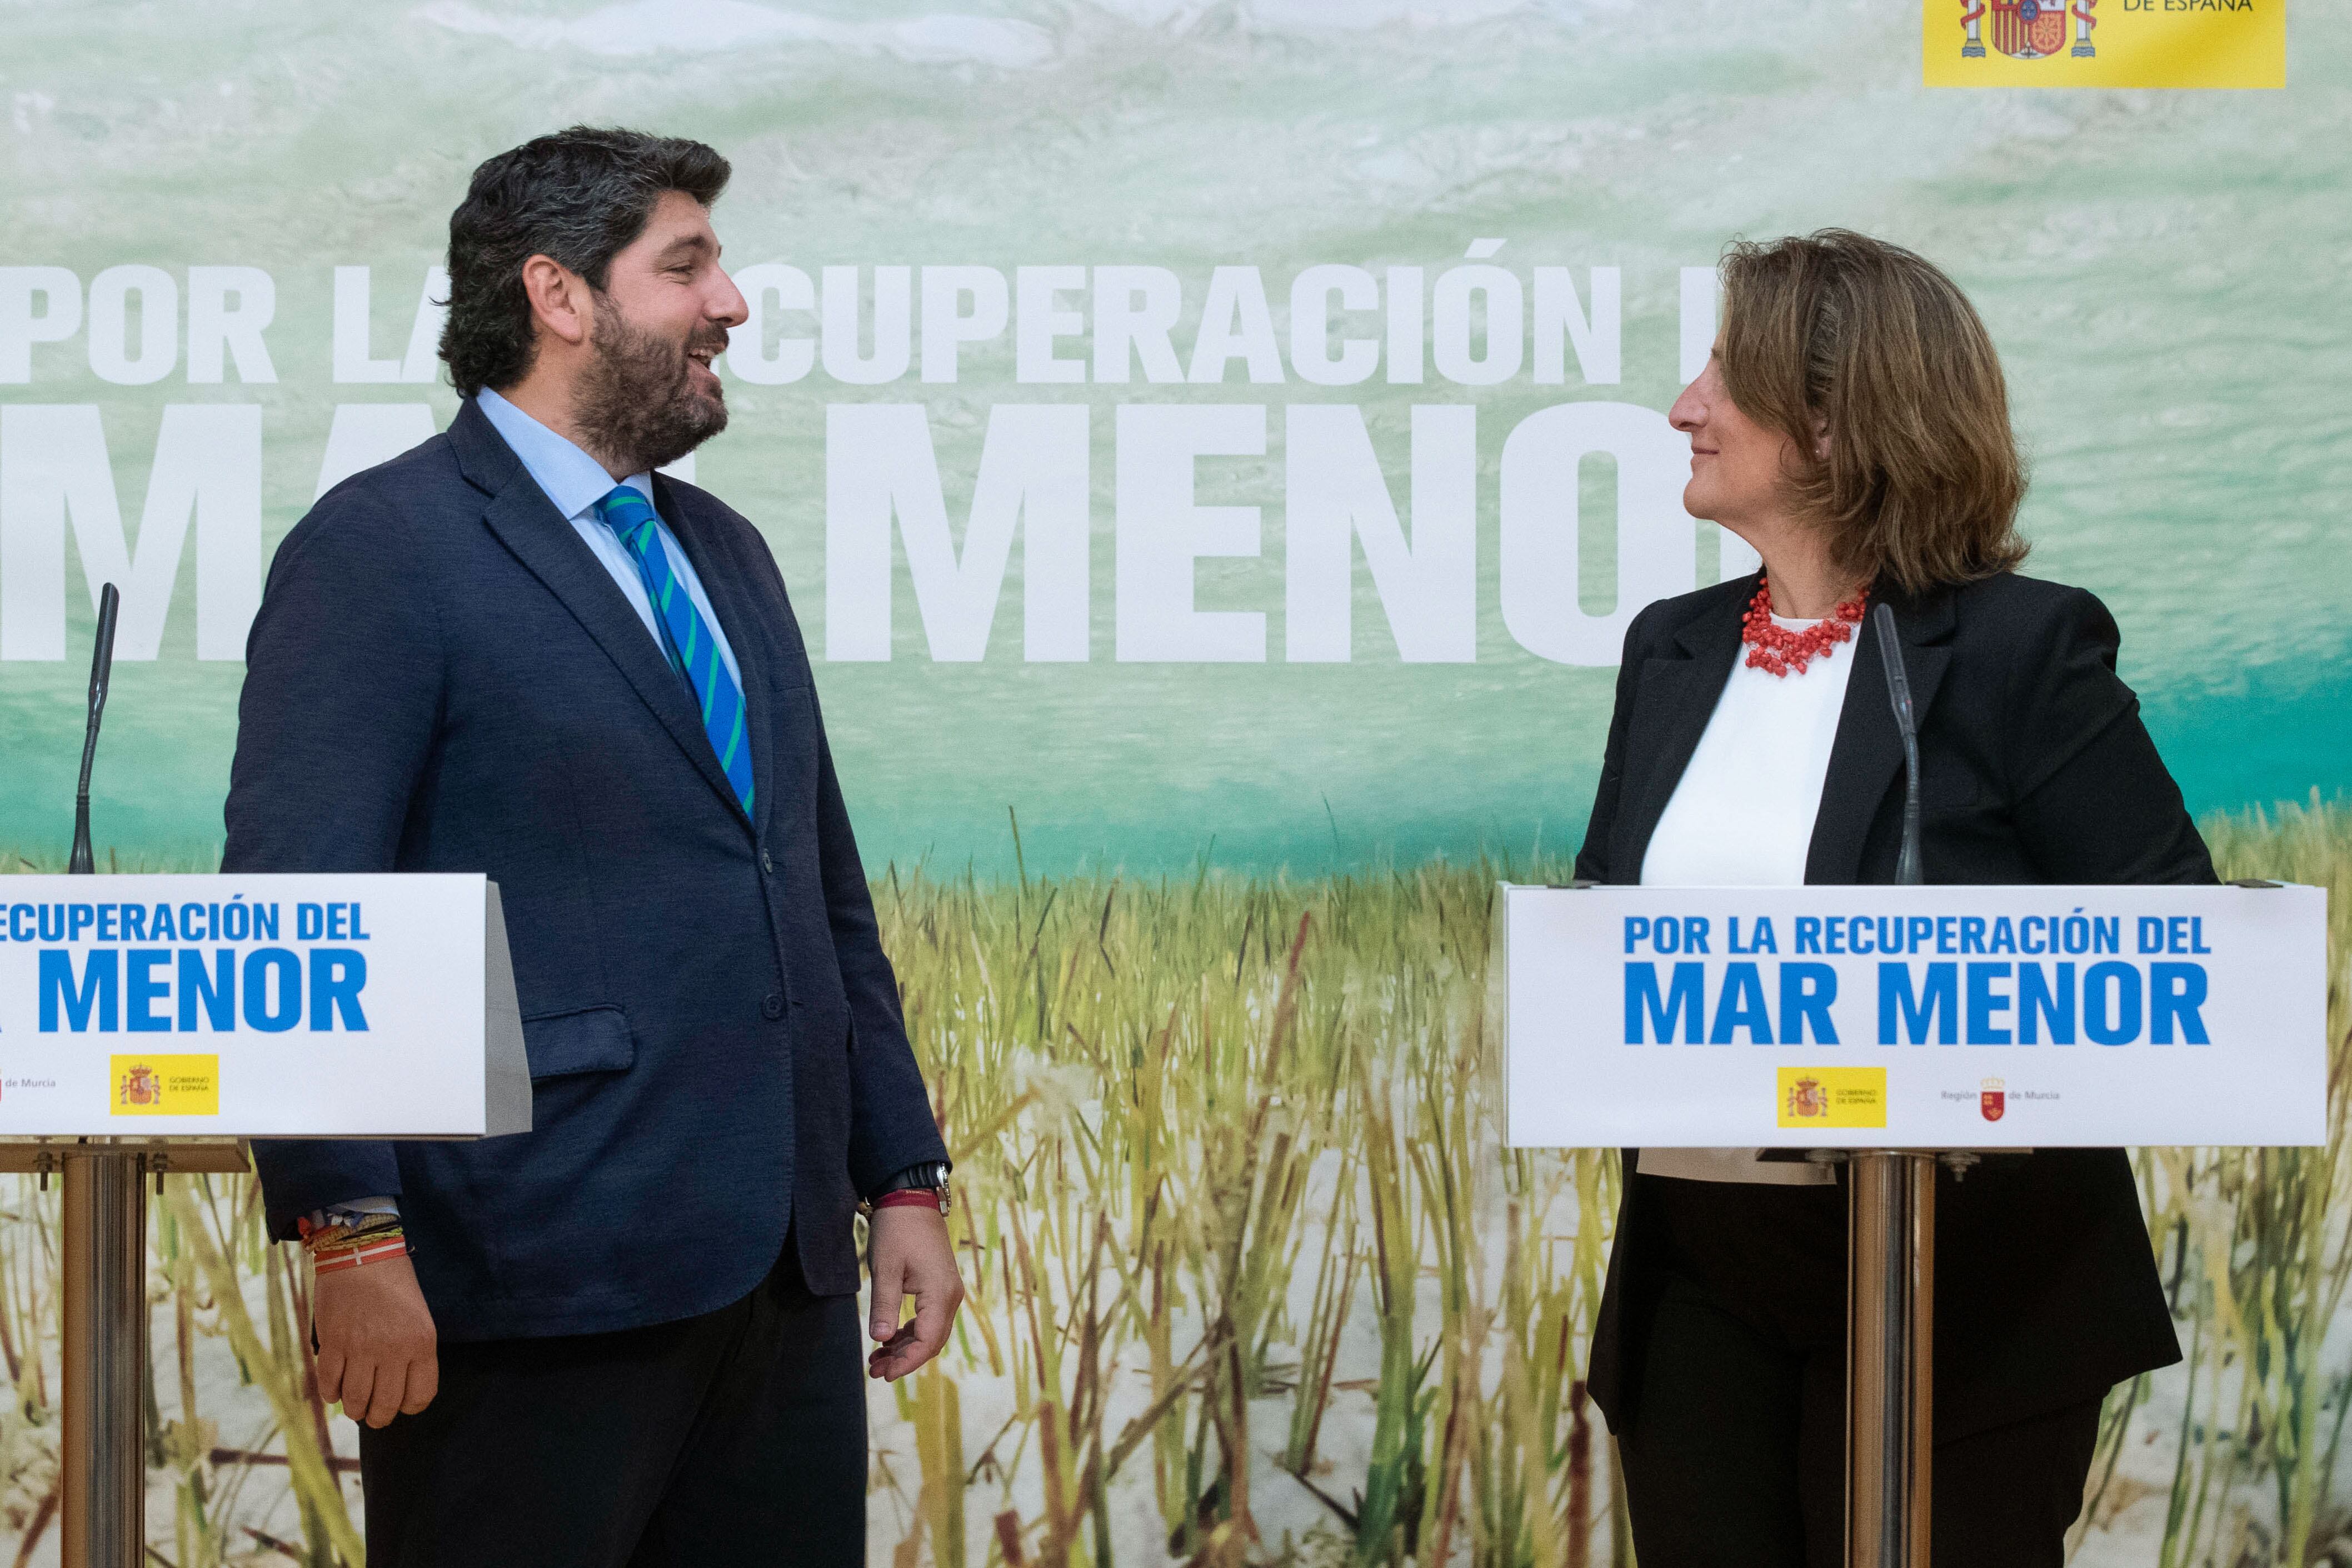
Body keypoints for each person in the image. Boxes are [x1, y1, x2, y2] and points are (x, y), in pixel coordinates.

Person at [224, 127, 962, 1567]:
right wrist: (350, 1228)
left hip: (781, 1273)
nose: (730, 303)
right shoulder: (382, 547)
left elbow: (815, 895)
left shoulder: (725, 550)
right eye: (685, 266)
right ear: (559, 297)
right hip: (530, 1264)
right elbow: (299, 909)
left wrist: (905, 1175)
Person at [1574, 229, 2209, 1567]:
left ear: (1830, 416)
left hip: (1958, 1284)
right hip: (1699, 1276)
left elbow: (2174, 946)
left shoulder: (2021, 650)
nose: (1682, 407)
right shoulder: (1669, 650)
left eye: (1717, 377)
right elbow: (1601, 939)